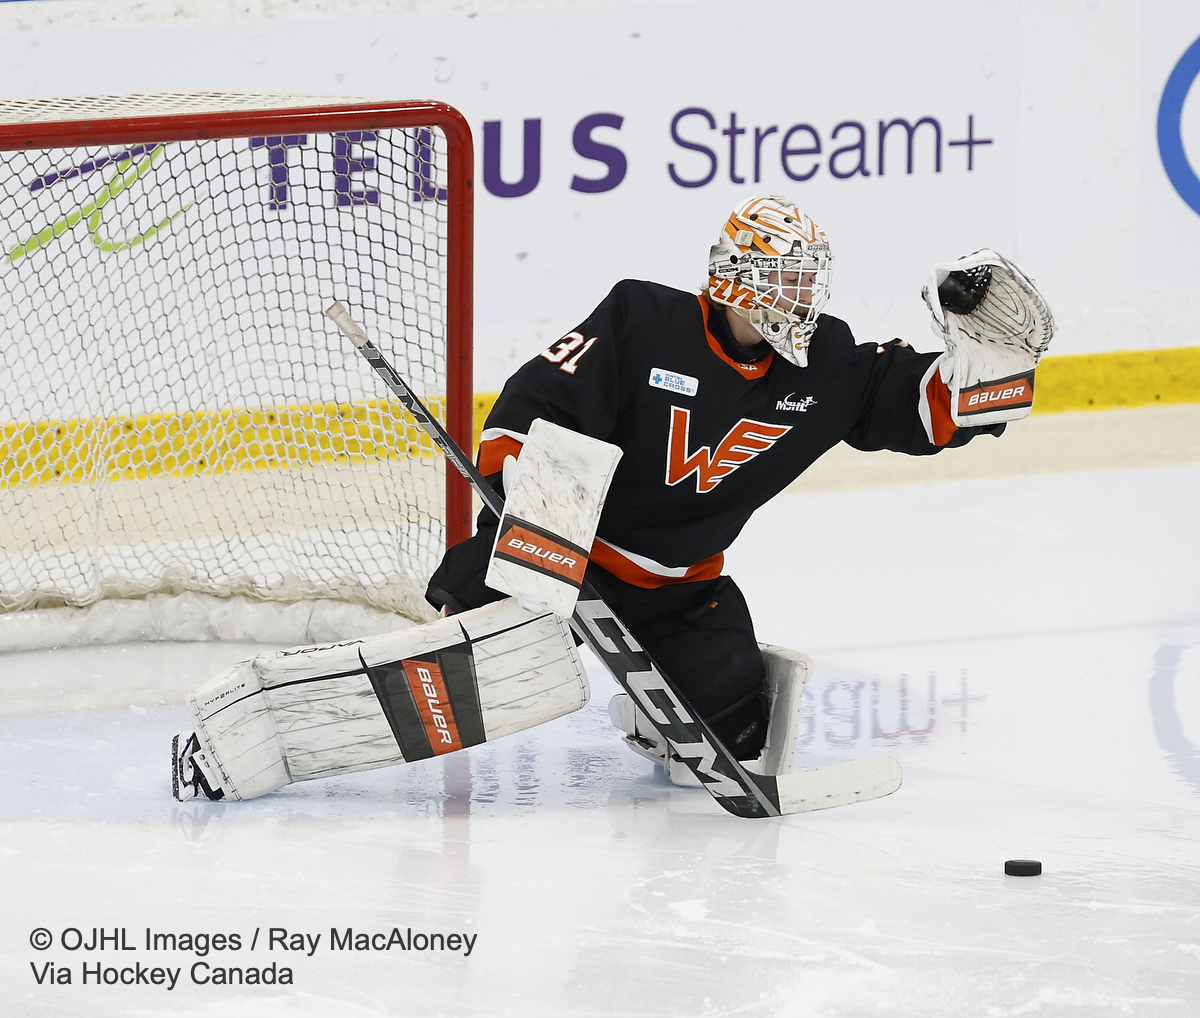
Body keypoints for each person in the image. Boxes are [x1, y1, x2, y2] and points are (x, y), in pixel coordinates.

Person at [424, 194, 1048, 777]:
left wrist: (976, 384)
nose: (802, 296)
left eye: (809, 279)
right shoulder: (642, 321)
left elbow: (906, 403)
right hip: (569, 554)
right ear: (737, 276)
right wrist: (535, 512)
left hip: (680, 589)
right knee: (472, 635)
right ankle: (416, 657)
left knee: (740, 738)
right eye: (787, 277)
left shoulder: (823, 361)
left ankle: (654, 720)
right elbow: (539, 402)